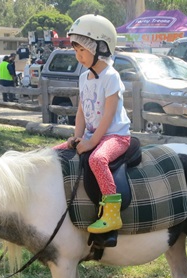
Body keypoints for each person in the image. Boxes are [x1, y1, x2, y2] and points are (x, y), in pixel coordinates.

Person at [54, 14, 131, 234]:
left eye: (82, 51)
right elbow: (81, 110)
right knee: (54, 153)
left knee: (98, 159)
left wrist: (92, 143)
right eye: (76, 51)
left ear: (101, 48)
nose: (78, 57)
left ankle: (112, 212)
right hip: (90, 134)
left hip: (115, 136)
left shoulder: (111, 77)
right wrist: (77, 136)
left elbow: (108, 114)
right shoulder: (83, 78)